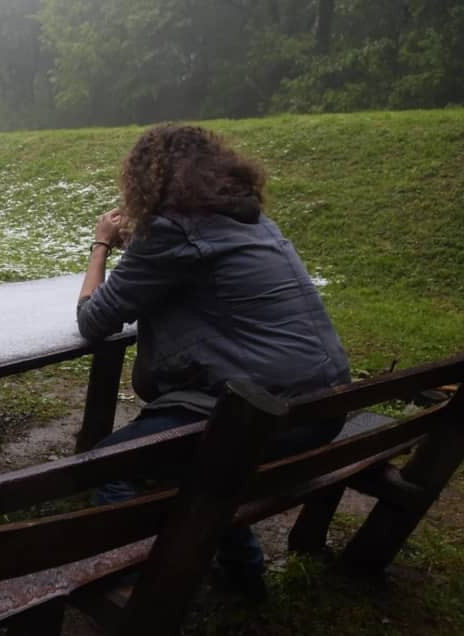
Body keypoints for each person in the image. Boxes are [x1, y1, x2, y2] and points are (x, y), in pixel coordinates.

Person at [77, 124, 350, 600]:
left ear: (146, 181)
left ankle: (136, 590)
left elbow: (93, 318)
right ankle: (243, 572)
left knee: (108, 464)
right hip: (321, 409)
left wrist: (101, 243)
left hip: (267, 418)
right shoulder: (252, 220)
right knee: (214, 459)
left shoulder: (169, 230)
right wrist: (140, 252)